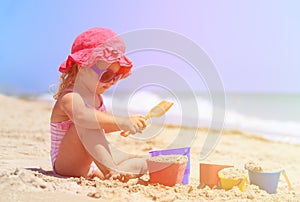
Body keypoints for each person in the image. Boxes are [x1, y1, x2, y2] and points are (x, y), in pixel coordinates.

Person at [50, 27, 148, 181]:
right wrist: (121, 121)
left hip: (91, 164)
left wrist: (127, 124)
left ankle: (135, 167)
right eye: (107, 75)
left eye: (116, 76)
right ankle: (110, 171)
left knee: (140, 161)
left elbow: (103, 127)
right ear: (82, 67)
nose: (111, 82)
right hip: (67, 165)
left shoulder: (97, 99)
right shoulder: (70, 97)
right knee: (87, 123)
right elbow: (83, 117)